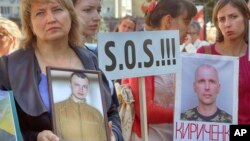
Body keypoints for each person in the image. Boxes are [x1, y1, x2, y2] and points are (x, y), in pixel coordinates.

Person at [0, 0, 122, 141]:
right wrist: (35, 137)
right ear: (30, 24)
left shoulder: (91, 59)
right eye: (40, 13)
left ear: (71, 15)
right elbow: (3, 130)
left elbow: (111, 112)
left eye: (57, 10)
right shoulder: (8, 67)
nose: (51, 19)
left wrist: (114, 135)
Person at [122, 0, 197, 140]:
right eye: (186, 22)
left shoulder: (177, 53)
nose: (189, 29)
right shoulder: (142, 53)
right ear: (168, 21)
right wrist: (188, 114)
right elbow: (145, 110)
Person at [197, 0, 250, 124]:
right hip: (214, 131)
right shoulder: (205, 53)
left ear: (246, 17)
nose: (227, 24)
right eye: (221, 19)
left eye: (233, 17)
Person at [72, 0, 121, 110]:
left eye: (98, 10)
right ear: (68, 11)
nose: (97, 17)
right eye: (87, 10)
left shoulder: (96, 55)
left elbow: (112, 111)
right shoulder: (55, 58)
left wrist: (114, 128)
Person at [54, 72, 106, 141]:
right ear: (70, 85)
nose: (81, 89)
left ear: (88, 88)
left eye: (84, 86)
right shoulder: (57, 108)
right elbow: (56, 137)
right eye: (77, 85)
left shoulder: (97, 114)